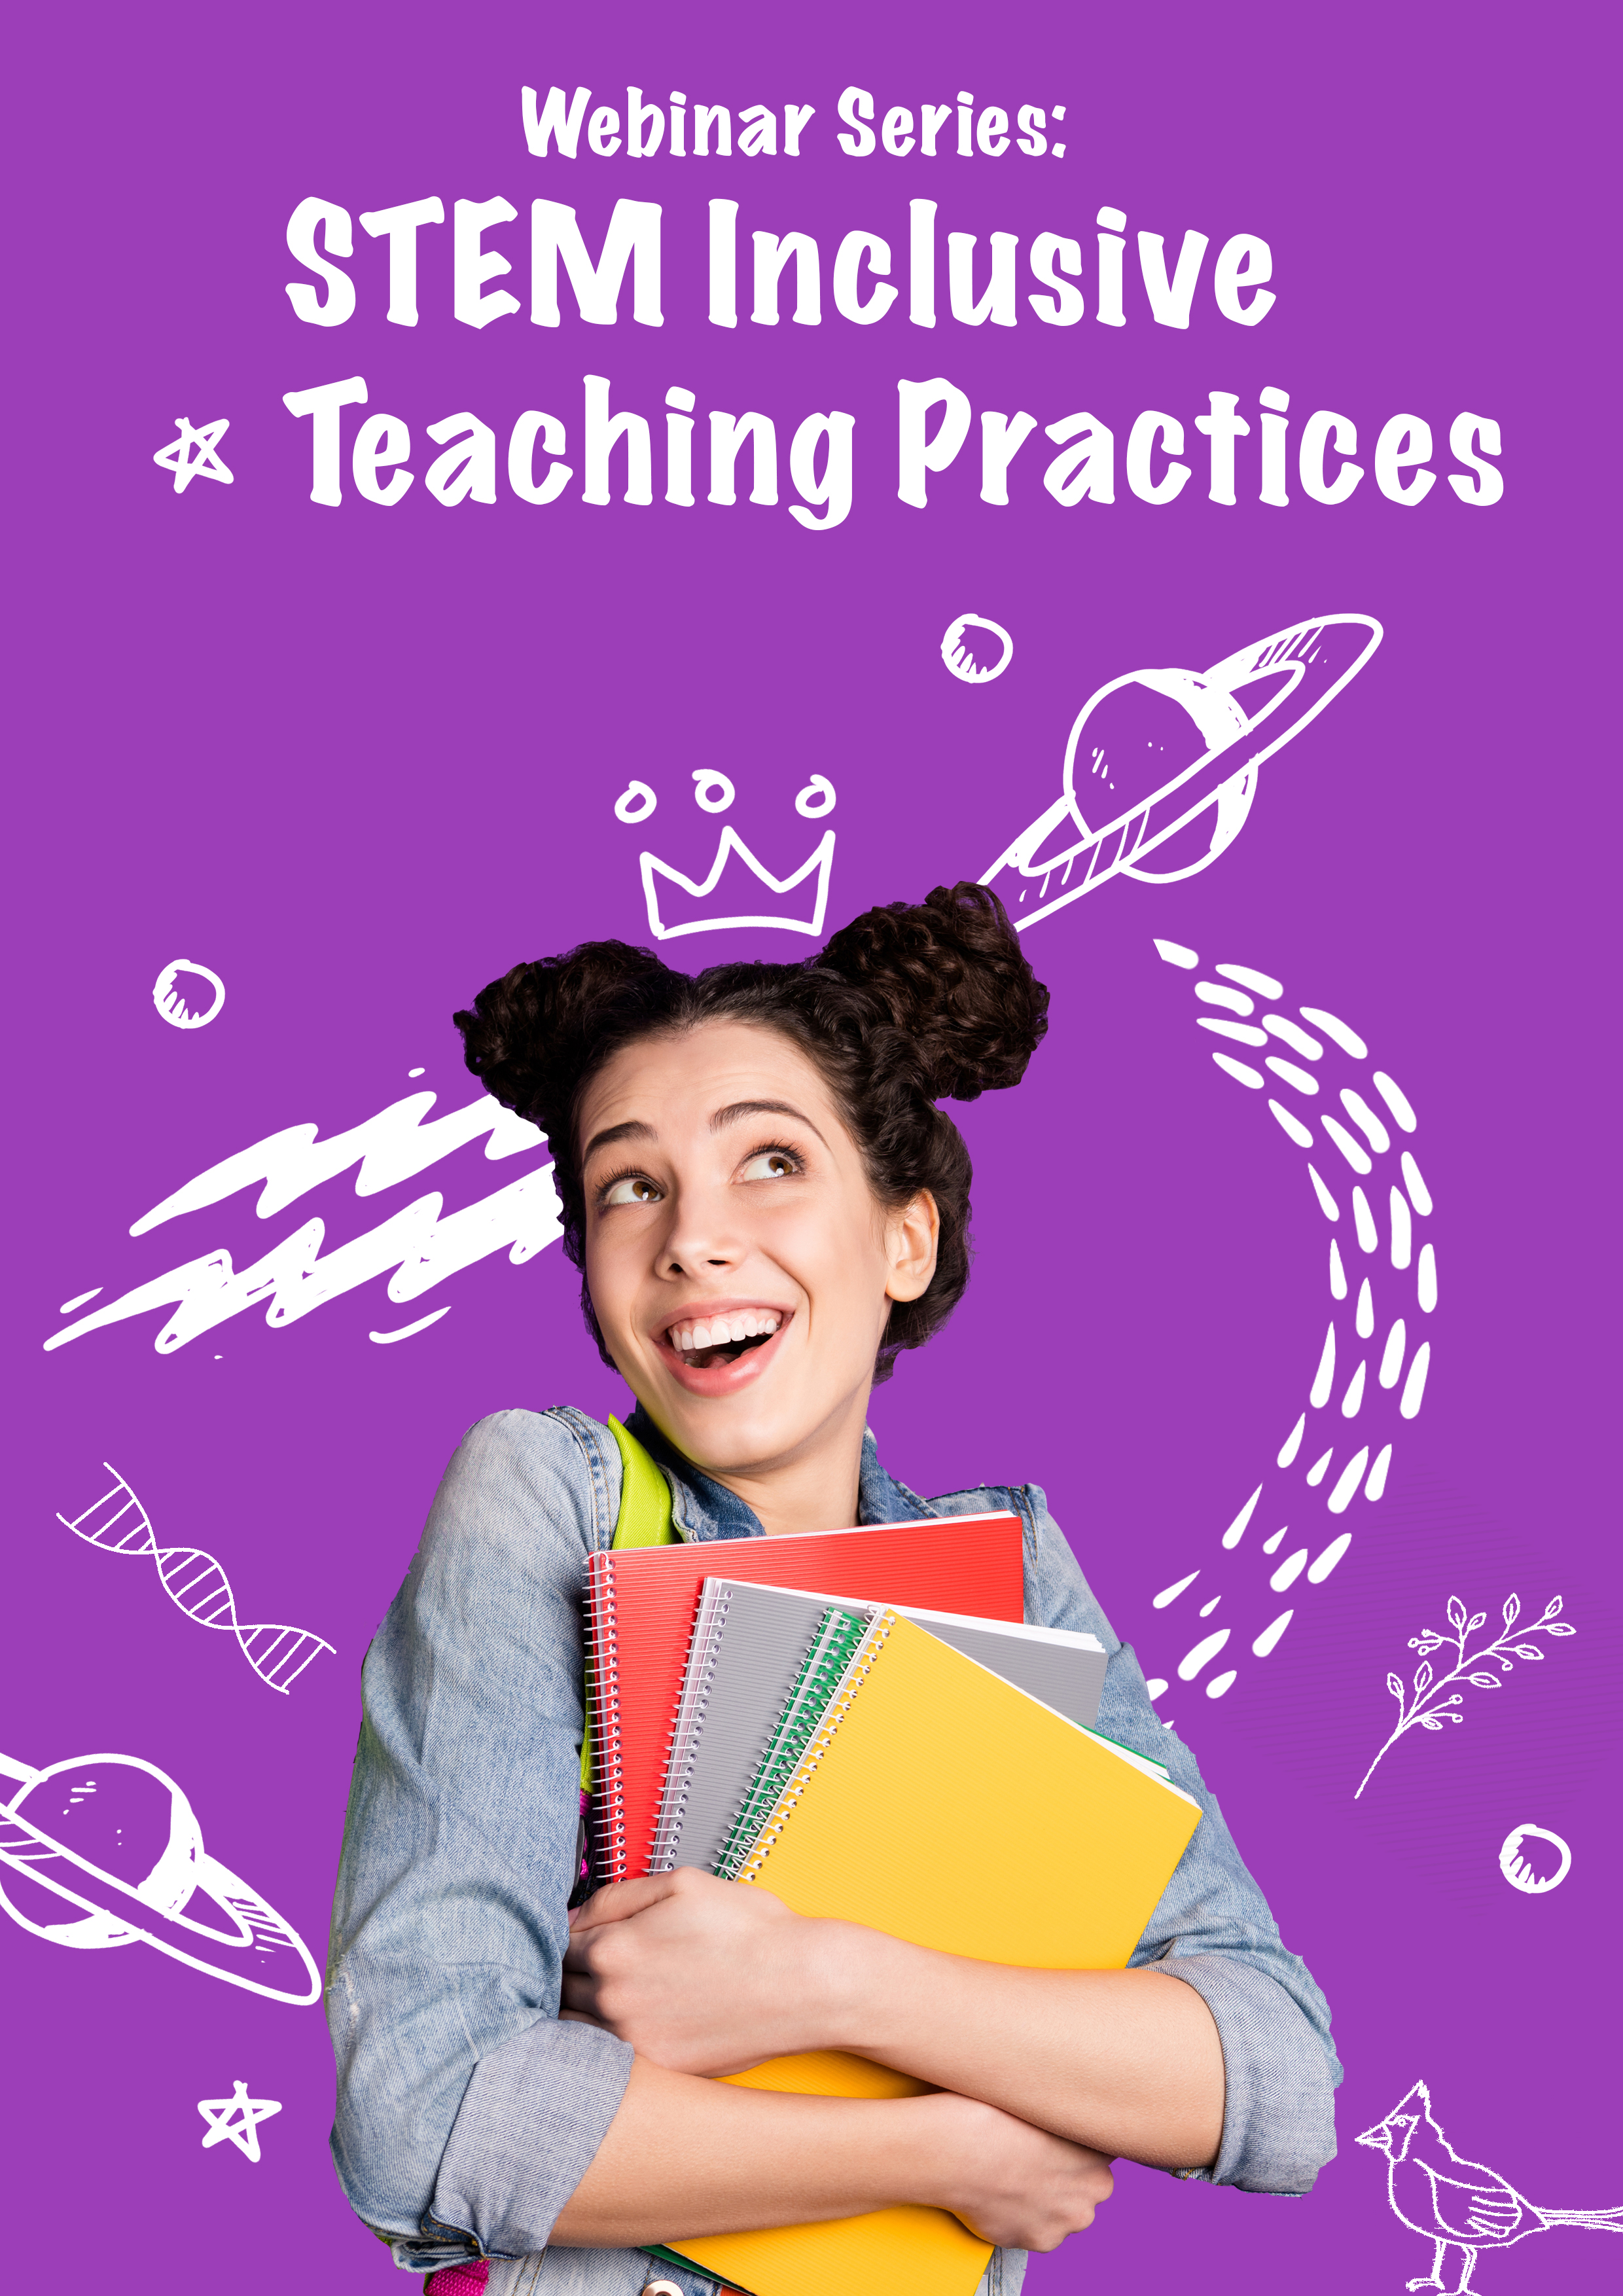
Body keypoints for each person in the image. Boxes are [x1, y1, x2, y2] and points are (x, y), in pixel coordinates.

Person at [327, 883, 1340, 2296]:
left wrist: (822, 1981)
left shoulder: (1010, 1570)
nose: (692, 1235)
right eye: (634, 1183)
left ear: (903, 1239)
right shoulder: (540, 1496)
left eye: (770, 1162)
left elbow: (1270, 2074)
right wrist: (943, 2150)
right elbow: (425, 2115)